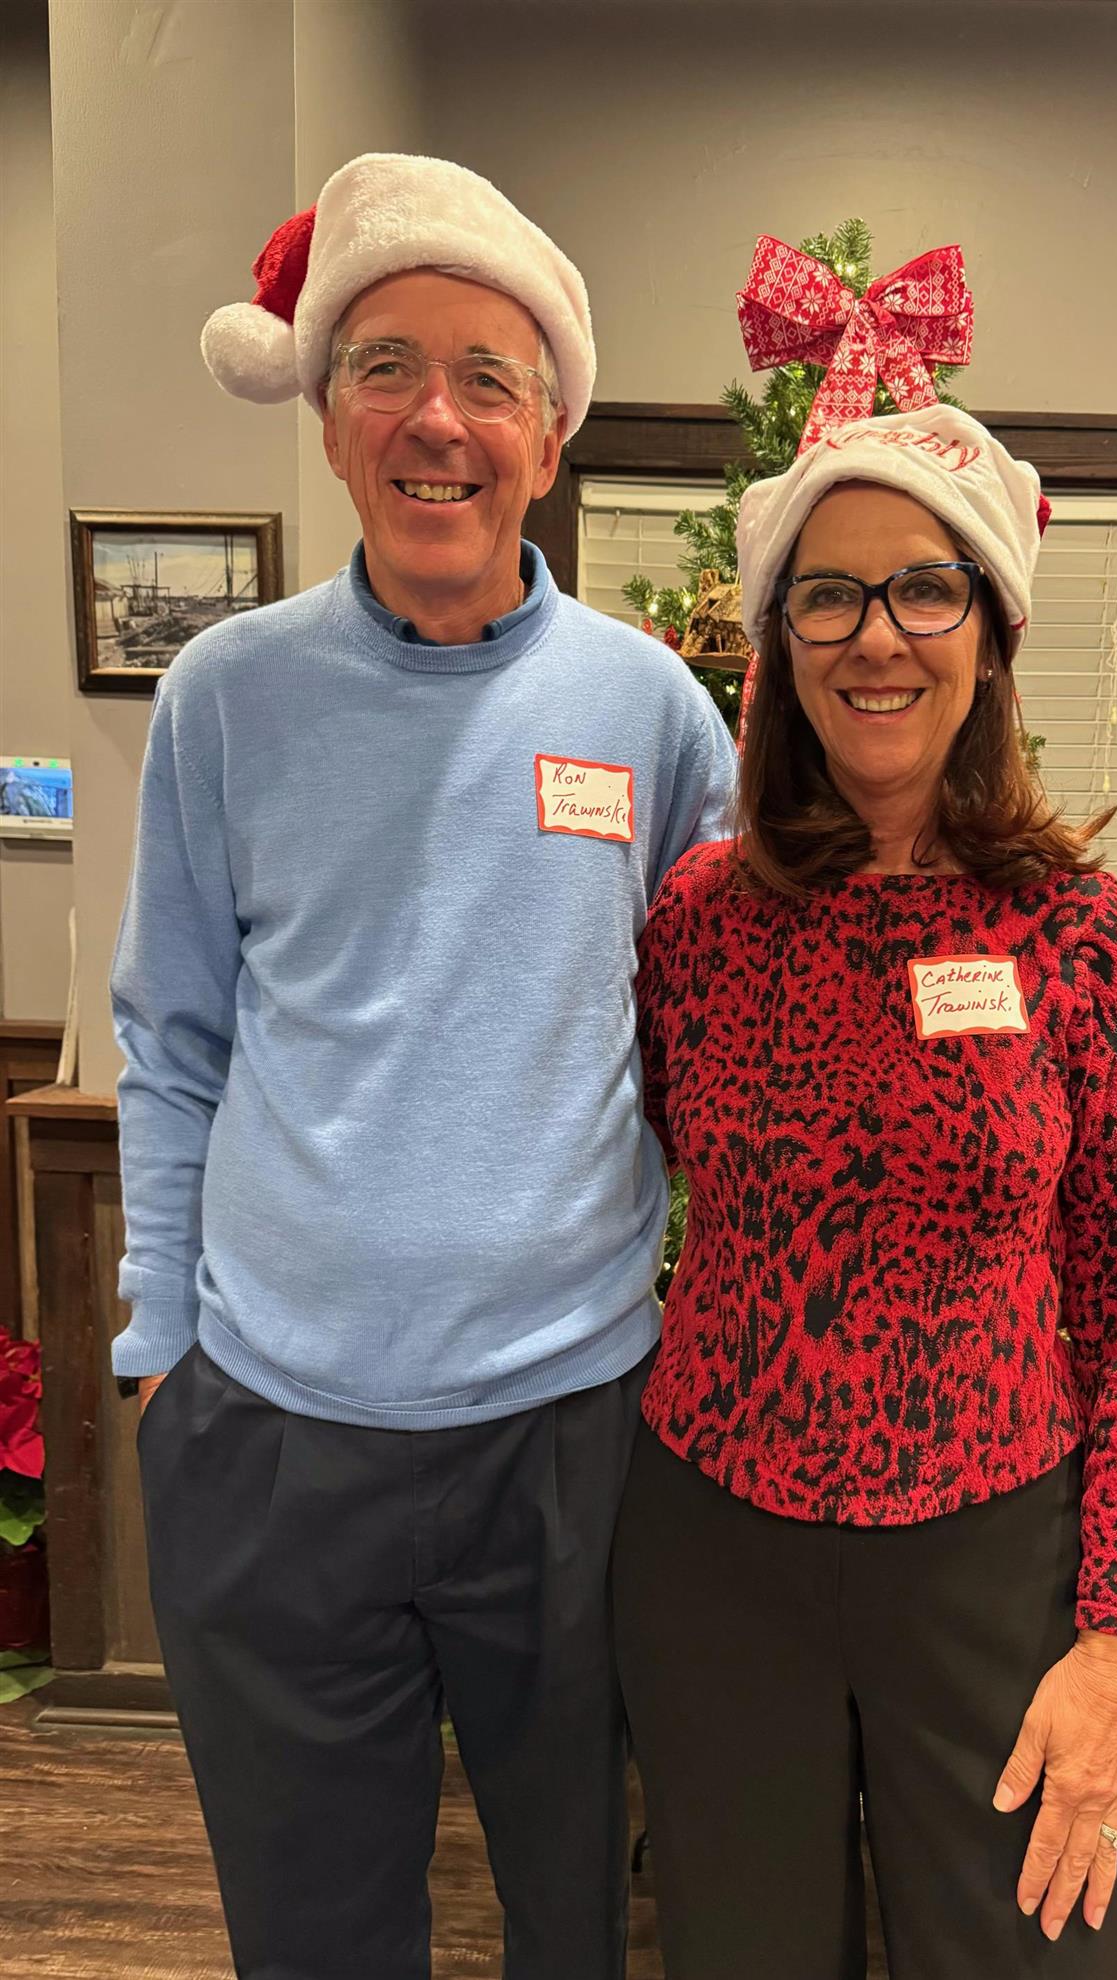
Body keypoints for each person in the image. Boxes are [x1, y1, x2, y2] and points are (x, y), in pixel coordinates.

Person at [111, 152, 736, 1980]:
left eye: (487, 378)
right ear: (326, 419)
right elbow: (172, 1038)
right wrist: (159, 1346)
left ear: (549, 434)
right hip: (271, 1430)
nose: (436, 419)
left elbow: (718, 1037)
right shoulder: (227, 695)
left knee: (572, 1918)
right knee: (313, 1932)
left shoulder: (649, 711)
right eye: (385, 367)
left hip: (571, 1434)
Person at [614, 379, 1117, 1977]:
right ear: (780, 642)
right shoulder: (698, 922)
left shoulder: (1074, 932)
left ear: (989, 633)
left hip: (993, 1556)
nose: (877, 637)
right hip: (713, 1543)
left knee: (1032, 1952)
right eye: (830, 595)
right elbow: (632, 1162)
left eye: (924, 589)